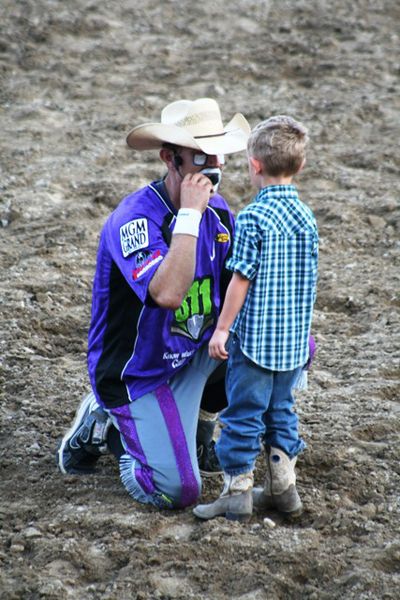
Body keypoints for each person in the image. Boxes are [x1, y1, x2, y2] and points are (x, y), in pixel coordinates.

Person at [56, 98, 251, 509]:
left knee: (278, 345)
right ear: (170, 159)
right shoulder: (136, 220)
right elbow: (168, 294)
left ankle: (194, 429)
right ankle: (108, 428)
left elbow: (233, 290)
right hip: (138, 375)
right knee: (177, 491)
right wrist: (190, 218)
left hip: (190, 355)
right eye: (199, 156)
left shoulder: (218, 212)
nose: (211, 168)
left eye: (216, 155)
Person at [193, 115, 319, 522]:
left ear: (254, 165)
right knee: (282, 409)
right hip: (293, 343)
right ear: (299, 167)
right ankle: (284, 488)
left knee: (243, 413)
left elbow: (241, 281)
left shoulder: (252, 219)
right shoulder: (307, 218)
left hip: (255, 342)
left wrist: (224, 328)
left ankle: (237, 492)